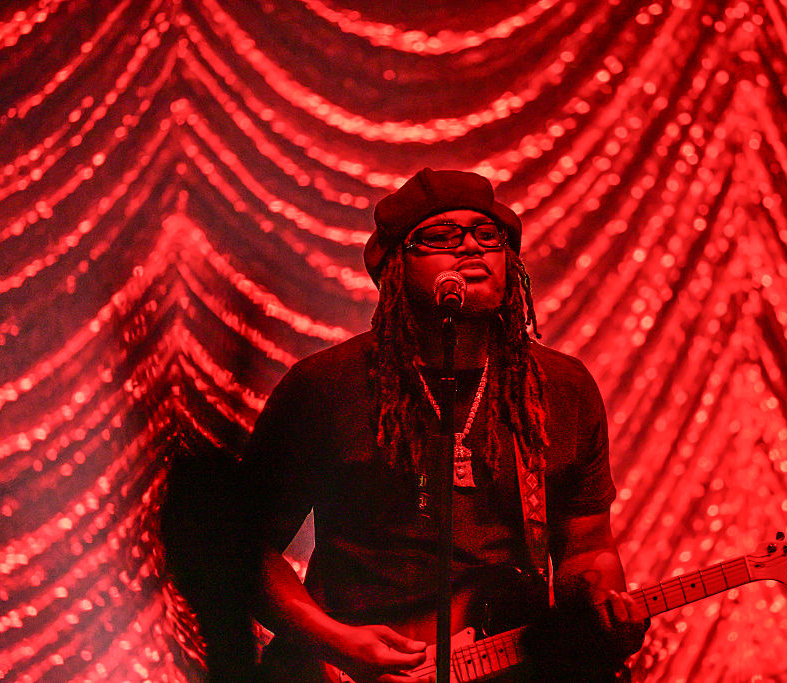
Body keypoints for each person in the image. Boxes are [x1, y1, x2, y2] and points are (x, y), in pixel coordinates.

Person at [241, 169, 649, 682]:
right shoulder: (326, 387)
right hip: (355, 670)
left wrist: (602, 603)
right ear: (394, 267)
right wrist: (335, 642)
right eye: (440, 236)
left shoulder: (560, 389)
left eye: (488, 234)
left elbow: (588, 547)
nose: (471, 247)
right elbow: (243, 548)